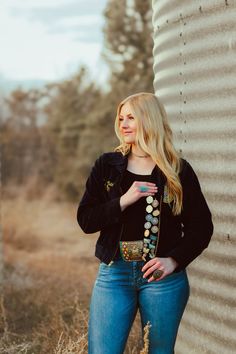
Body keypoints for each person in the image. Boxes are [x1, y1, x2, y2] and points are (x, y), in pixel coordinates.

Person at [77, 92, 214, 354]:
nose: (123, 124)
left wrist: (173, 260)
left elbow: (201, 228)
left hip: (163, 279)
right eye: (121, 118)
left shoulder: (177, 170)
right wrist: (124, 200)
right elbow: (86, 220)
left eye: (131, 117)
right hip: (114, 274)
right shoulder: (107, 165)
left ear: (149, 120)